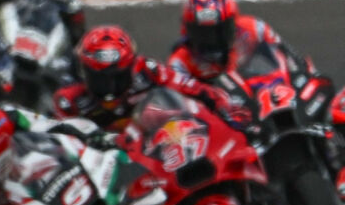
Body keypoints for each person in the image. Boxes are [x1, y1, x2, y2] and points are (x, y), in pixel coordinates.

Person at [52, 25, 242, 130]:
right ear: (85, 73)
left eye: (117, 77)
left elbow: (189, 86)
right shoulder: (69, 101)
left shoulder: (148, 70)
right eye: (100, 79)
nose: (110, 88)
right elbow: (60, 144)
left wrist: (220, 101)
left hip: (152, 151)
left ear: (130, 67)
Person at [165, 0, 316, 84]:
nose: (213, 40)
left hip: (261, 99)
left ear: (233, 23)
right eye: (204, 34)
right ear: (188, 31)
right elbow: (181, 106)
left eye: (220, 31)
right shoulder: (180, 62)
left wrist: (306, 78)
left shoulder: (254, 28)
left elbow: (291, 59)